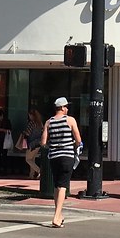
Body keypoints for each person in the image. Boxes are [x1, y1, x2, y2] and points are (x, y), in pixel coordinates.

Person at [40, 96, 82, 228]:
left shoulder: (49, 122)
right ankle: (56, 217)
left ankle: (59, 214)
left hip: (53, 157)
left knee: (57, 186)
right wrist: (75, 144)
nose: (67, 109)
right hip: (67, 156)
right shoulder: (70, 120)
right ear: (63, 108)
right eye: (66, 107)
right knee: (63, 186)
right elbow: (78, 139)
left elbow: (43, 142)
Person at [21, 109, 44, 179]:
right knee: (32, 159)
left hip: (31, 143)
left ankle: (39, 171)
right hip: (38, 143)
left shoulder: (31, 123)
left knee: (28, 159)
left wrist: (24, 133)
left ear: (32, 115)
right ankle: (31, 175)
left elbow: (27, 133)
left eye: (29, 115)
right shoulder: (40, 123)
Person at [0, 109, 12, 175]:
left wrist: (1, 130)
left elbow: (9, 130)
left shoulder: (7, 121)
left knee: (4, 156)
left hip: (4, 140)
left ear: (2, 116)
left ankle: (4, 170)